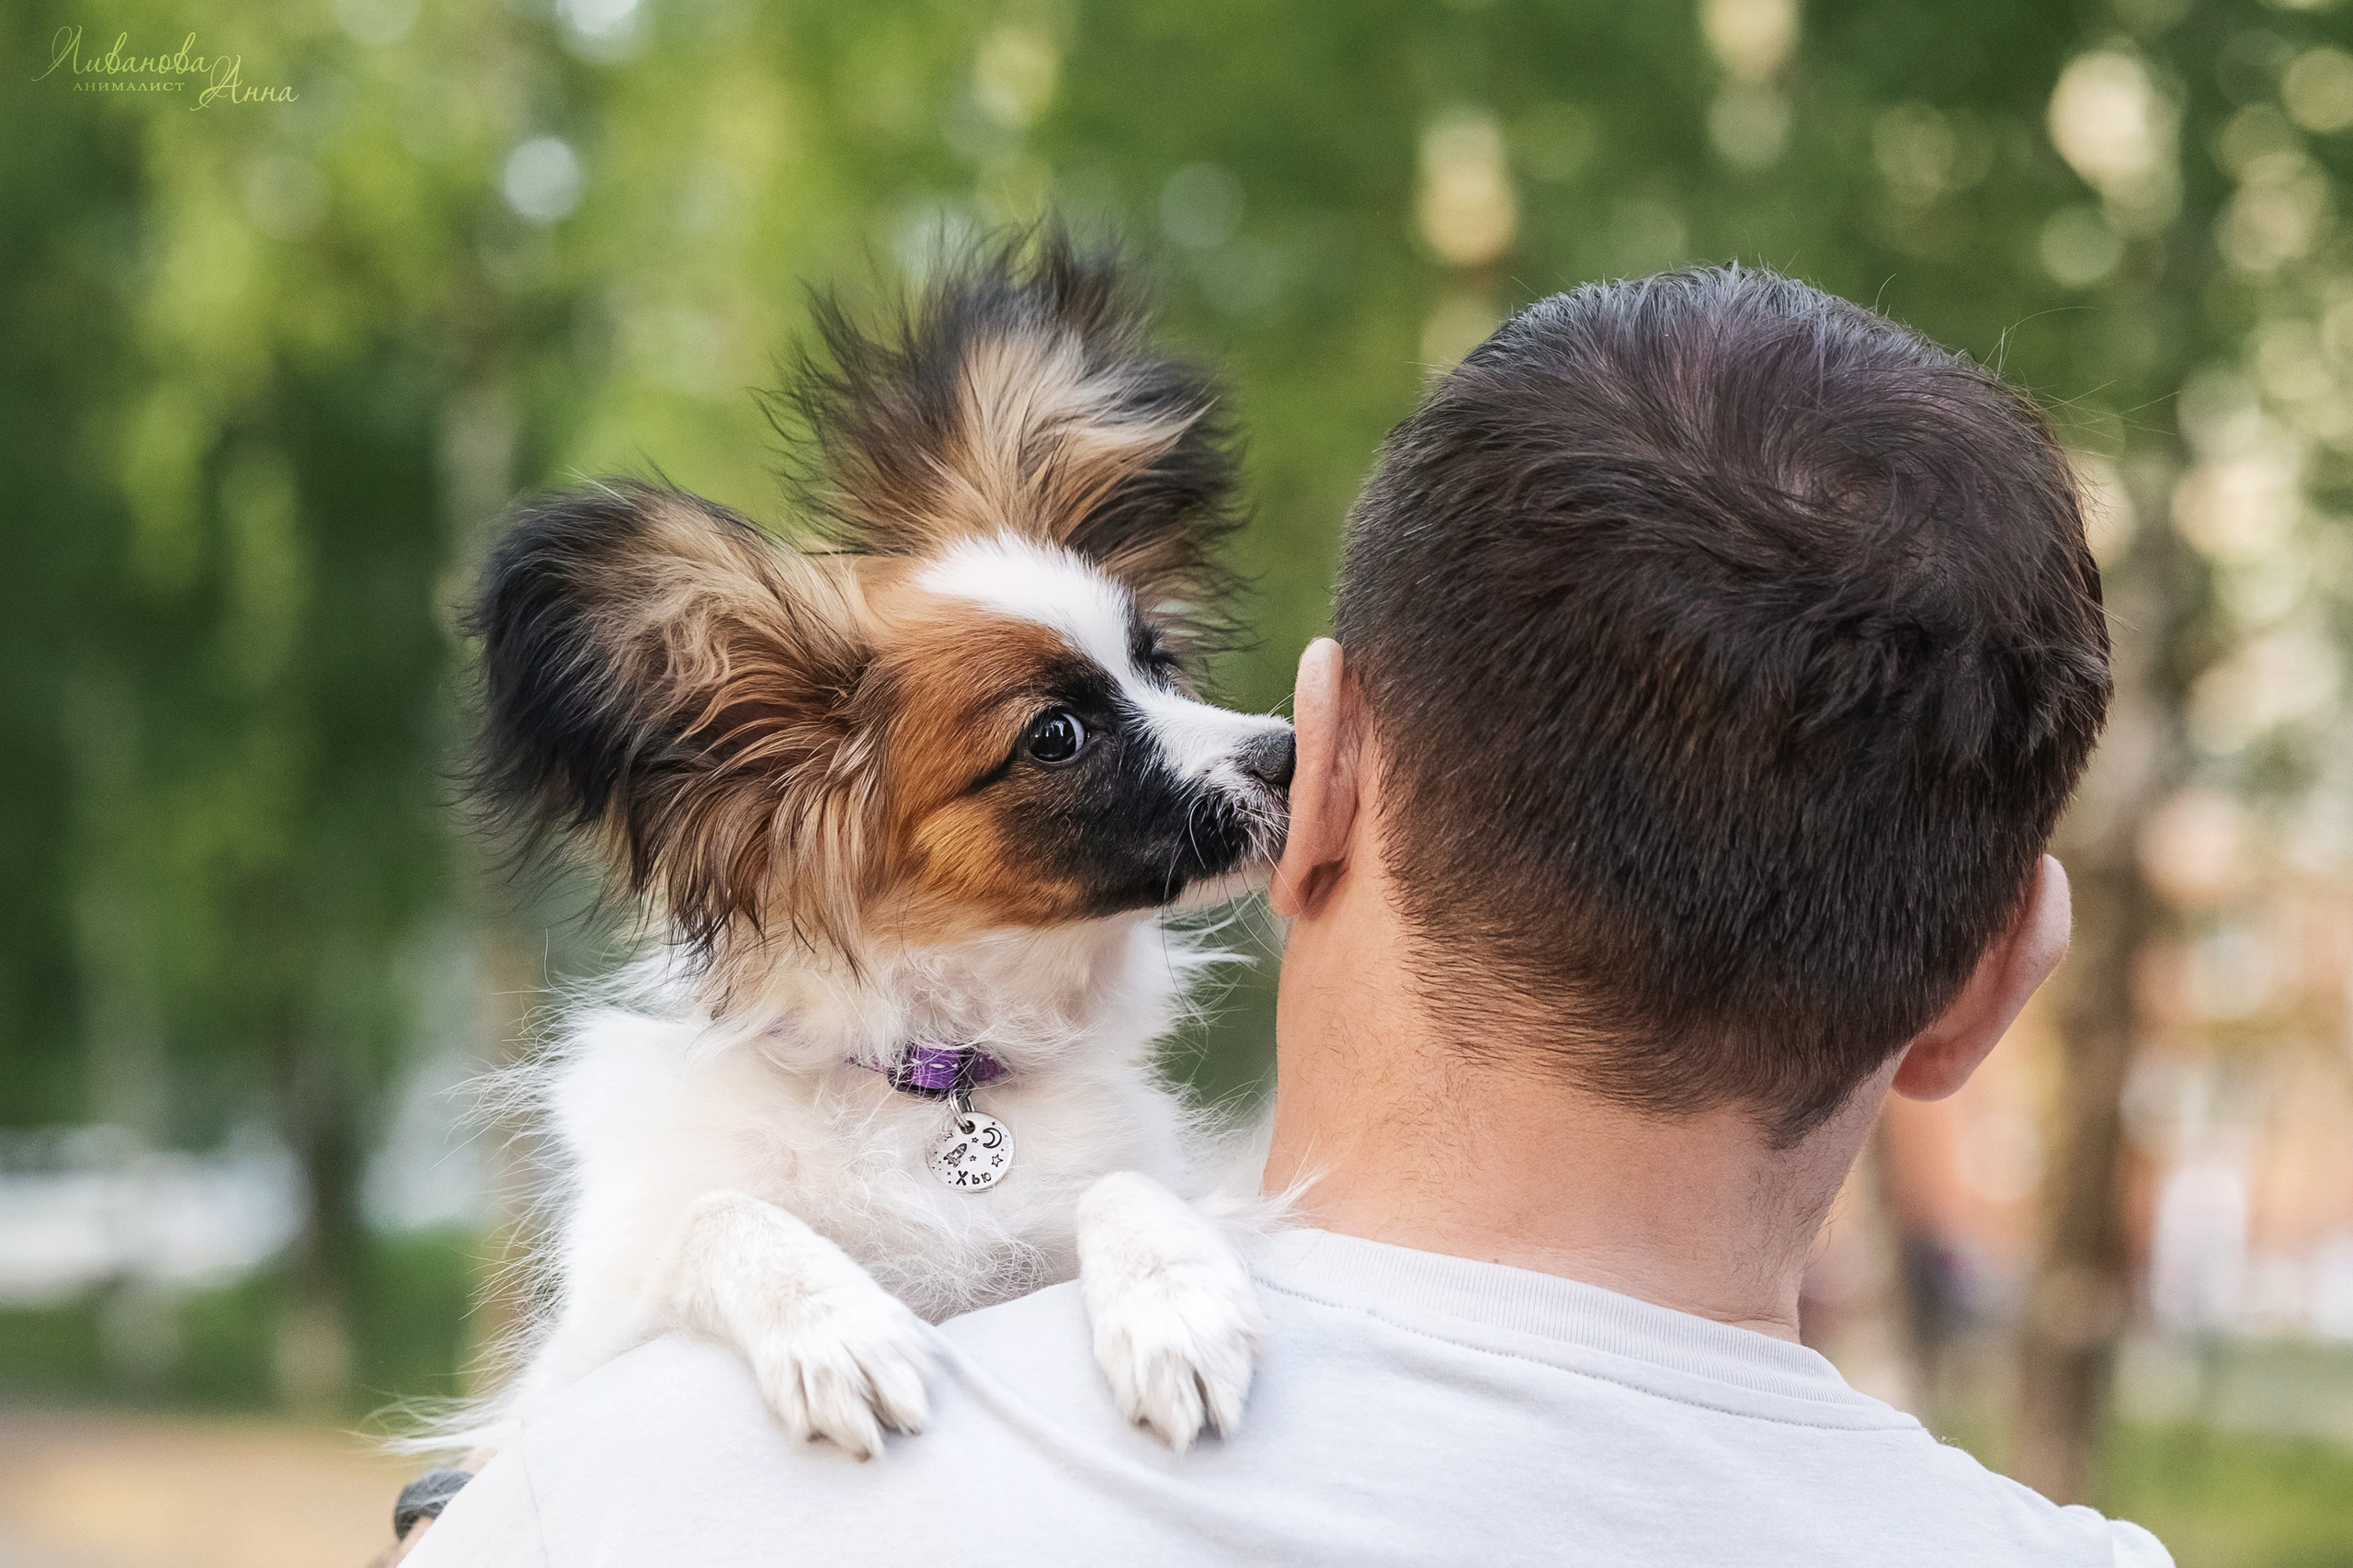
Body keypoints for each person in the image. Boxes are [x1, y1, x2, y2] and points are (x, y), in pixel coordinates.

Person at [400, 267, 2166, 1566]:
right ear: (1993, 975)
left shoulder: (621, 1498)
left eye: (1152, 673)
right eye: (1072, 729)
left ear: (1323, 771)